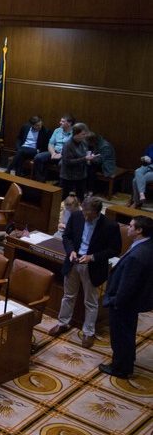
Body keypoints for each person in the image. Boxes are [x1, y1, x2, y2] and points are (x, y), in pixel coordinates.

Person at [47, 196, 121, 349]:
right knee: (68, 296)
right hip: (73, 261)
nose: (85, 216)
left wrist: (92, 257)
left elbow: (115, 249)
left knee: (91, 301)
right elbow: (67, 236)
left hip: (92, 266)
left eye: (89, 214)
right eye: (84, 212)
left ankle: (88, 332)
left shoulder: (110, 226)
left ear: (97, 212)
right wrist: (71, 251)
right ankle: (63, 323)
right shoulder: (77, 216)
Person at [100, 216, 153, 379]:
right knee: (128, 332)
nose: (127, 228)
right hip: (135, 301)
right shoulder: (147, 245)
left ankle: (120, 368)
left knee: (121, 335)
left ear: (139, 231)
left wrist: (115, 302)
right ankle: (126, 360)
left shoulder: (137, 256)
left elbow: (128, 286)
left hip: (124, 303)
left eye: (130, 226)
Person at [33, 114, 74, 182]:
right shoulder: (57, 130)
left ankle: (62, 186)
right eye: (61, 121)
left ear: (69, 123)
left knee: (62, 164)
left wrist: (61, 155)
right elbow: (51, 143)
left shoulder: (74, 133)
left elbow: (71, 148)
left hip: (66, 155)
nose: (60, 123)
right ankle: (40, 181)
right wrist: (53, 153)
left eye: (63, 121)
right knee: (38, 157)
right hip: (54, 152)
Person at [59, 122, 90, 201]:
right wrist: (84, 159)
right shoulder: (68, 145)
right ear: (76, 134)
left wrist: (89, 158)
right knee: (64, 197)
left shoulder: (84, 142)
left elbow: (85, 154)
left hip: (81, 175)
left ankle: (79, 212)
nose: (85, 136)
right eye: (83, 134)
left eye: (86, 134)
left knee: (80, 197)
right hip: (68, 176)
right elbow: (67, 162)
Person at [131, 143, 153, 208]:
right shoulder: (151, 146)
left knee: (135, 180)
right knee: (137, 171)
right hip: (147, 166)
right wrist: (144, 158)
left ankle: (136, 202)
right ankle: (141, 194)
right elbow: (144, 157)